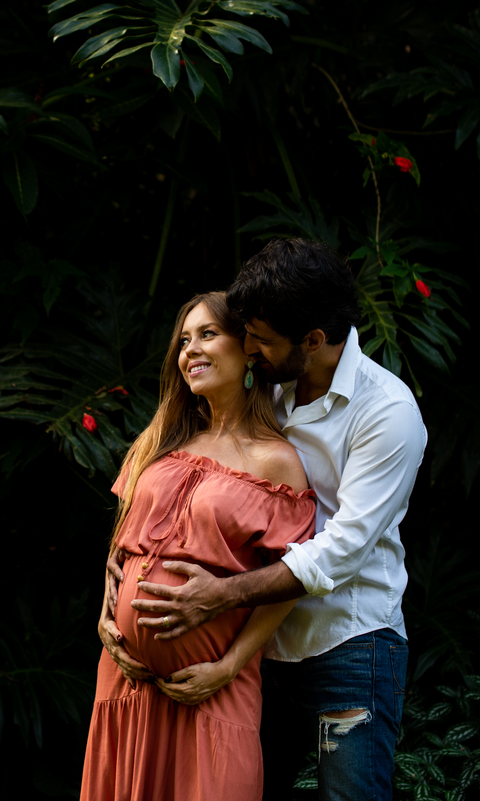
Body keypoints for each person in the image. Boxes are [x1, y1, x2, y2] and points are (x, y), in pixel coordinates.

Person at [114, 239, 427, 800]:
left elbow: (342, 549)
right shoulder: (269, 390)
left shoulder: (388, 413)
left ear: (312, 341)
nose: (249, 346)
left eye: (260, 337)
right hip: (261, 651)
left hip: (348, 647)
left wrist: (221, 595)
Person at [82, 291, 317, 801]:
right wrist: (106, 607)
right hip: (126, 684)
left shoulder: (276, 462)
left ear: (249, 351)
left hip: (209, 689)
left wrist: (228, 667)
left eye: (208, 334)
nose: (191, 350)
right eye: (184, 340)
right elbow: (126, 538)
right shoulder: (162, 441)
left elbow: (293, 580)